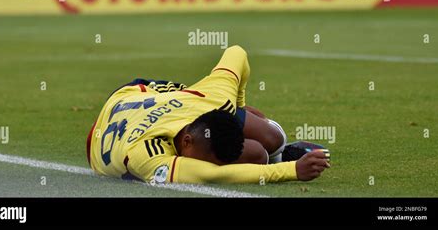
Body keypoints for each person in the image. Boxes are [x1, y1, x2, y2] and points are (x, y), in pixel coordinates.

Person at [87, 45, 330, 184]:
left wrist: (240, 105)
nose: (209, 164)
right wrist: (292, 171)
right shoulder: (148, 155)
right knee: (257, 155)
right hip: (126, 99)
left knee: (274, 138)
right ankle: (278, 156)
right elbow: (214, 174)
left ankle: (276, 148)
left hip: (175, 102)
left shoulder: (215, 96)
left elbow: (237, 53)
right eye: (209, 158)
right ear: (186, 141)